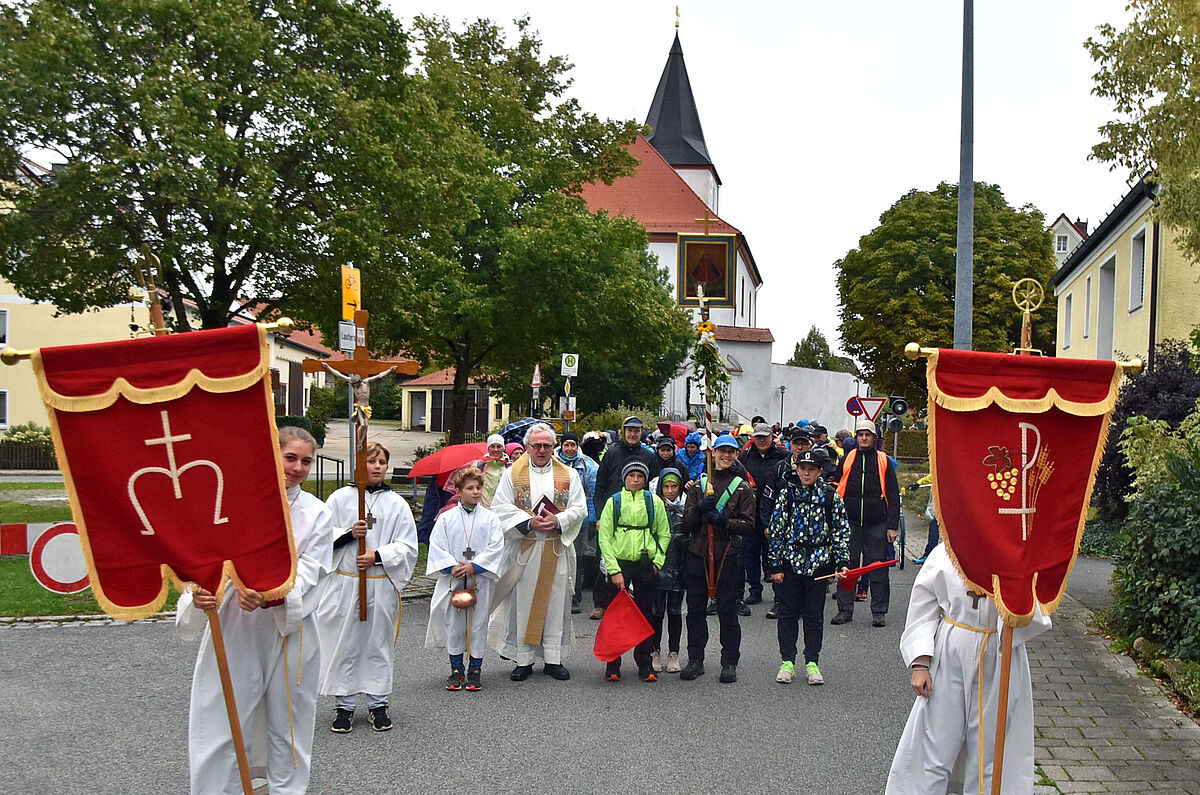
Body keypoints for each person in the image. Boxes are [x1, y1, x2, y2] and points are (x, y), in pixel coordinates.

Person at [176, 426, 334, 795]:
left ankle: (287, 790)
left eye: (306, 461)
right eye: (290, 457)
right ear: (272, 454)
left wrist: (272, 596)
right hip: (233, 622)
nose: (297, 467)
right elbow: (205, 558)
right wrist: (199, 595)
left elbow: (314, 569)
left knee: (289, 724)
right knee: (222, 720)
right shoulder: (232, 502)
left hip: (289, 630)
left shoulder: (317, 513)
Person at [885, 544, 1051, 794]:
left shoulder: (1017, 552)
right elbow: (924, 604)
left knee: (989, 751)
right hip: (952, 648)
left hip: (999, 651)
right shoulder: (947, 550)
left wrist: (1019, 610)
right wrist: (920, 662)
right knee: (935, 742)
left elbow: (1038, 606)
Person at [317, 441, 417, 733]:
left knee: (377, 644)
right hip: (347, 583)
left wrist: (377, 556)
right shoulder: (339, 499)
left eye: (381, 462)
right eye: (371, 461)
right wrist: (349, 534)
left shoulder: (397, 504)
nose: (376, 467)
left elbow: (408, 546)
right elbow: (321, 537)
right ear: (359, 465)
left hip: (379, 584)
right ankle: (344, 706)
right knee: (345, 643)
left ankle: (378, 704)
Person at [488, 422, 587, 681]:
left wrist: (559, 521)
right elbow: (500, 508)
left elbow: (580, 508)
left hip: (554, 548)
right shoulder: (512, 474)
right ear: (527, 447)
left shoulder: (569, 474)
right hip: (526, 547)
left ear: (553, 447)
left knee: (555, 604)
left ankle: (553, 659)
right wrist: (529, 522)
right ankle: (524, 659)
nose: (542, 450)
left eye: (547, 445)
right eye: (537, 445)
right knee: (523, 603)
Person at [765, 449, 850, 685]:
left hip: (820, 567)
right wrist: (775, 565)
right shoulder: (786, 494)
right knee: (787, 614)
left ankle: (812, 662)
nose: (806, 473)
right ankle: (787, 662)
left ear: (819, 471)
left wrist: (842, 561)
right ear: (797, 469)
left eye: (811, 469)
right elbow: (777, 531)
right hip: (790, 564)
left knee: (814, 616)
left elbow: (841, 531)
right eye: (802, 468)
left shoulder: (830, 496)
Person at [680, 433, 756, 684]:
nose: (725, 455)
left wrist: (723, 521)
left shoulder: (742, 487)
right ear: (712, 453)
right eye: (721, 451)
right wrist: (700, 508)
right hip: (698, 553)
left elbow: (748, 525)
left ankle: (729, 661)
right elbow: (686, 524)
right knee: (695, 610)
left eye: (730, 452)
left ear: (736, 455)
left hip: (727, 555)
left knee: (727, 610)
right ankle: (695, 659)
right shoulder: (700, 485)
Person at [426, 468, 505, 691]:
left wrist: (475, 566)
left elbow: (496, 547)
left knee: (478, 624)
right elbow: (437, 546)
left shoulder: (490, 519)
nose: (476, 492)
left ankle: (476, 671)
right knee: (455, 625)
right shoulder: (446, 519)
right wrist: (452, 566)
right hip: (454, 580)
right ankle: (456, 670)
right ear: (458, 491)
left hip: (480, 580)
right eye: (470, 488)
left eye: (479, 488)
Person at [596, 460, 672, 682]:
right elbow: (605, 537)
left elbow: (664, 534)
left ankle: (644, 660)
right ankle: (613, 662)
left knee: (645, 613)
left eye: (640, 476)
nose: (636, 480)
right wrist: (613, 569)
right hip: (620, 562)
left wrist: (657, 562)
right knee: (616, 614)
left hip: (645, 563)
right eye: (632, 476)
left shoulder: (654, 501)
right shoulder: (614, 502)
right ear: (624, 478)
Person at [831, 417, 900, 627]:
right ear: (856, 437)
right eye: (860, 434)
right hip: (850, 521)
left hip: (877, 522)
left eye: (867, 435)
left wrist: (892, 526)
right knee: (847, 569)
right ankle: (844, 610)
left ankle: (878, 611)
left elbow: (893, 494)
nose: (863, 438)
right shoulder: (847, 459)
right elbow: (835, 485)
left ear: (874, 438)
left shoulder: (883, 460)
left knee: (877, 568)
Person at [591, 416, 658, 620]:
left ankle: (637, 606)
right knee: (604, 560)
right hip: (611, 514)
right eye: (629, 430)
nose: (632, 434)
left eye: (636, 430)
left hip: (639, 517)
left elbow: (655, 486)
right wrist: (600, 515)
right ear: (623, 431)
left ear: (641, 433)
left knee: (637, 564)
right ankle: (601, 603)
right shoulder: (611, 454)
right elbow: (600, 487)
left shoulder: (649, 455)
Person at [738, 423, 790, 615]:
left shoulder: (782, 457)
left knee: (774, 553)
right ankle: (754, 589)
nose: (761, 440)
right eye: (758, 437)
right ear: (753, 438)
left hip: (773, 512)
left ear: (771, 437)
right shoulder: (744, 457)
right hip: (750, 512)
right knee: (750, 553)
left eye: (765, 437)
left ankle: (778, 592)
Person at [556, 431, 599, 615]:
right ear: (562, 446)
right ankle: (557, 597)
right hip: (555, 518)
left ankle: (575, 598)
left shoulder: (588, 465)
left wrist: (591, 516)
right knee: (556, 557)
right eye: (566, 445)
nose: (570, 448)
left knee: (577, 558)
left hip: (579, 519)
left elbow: (592, 493)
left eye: (573, 445)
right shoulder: (552, 462)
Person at [653, 466, 689, 673]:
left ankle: (673, 652)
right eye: (666, 486)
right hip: (658, 566)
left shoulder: (685, 509)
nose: (669, 491)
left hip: (679, 566)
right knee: (656, 612)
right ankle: (654, 650)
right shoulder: (655, 508)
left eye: (674, 486)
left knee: (675, 612)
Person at [908, 474, 939, 564]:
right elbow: (933, 475)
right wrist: (918, 483)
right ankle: (929, 556)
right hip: (940, 504)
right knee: (934, 526)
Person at [480, 433, 510, 508]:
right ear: (488, 448)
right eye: (492, 447)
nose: (495, 450)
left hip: (503, 505)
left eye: (498, 446)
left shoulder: (509, 465)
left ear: (503, 448)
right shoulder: (480, 464)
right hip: (484, 506)